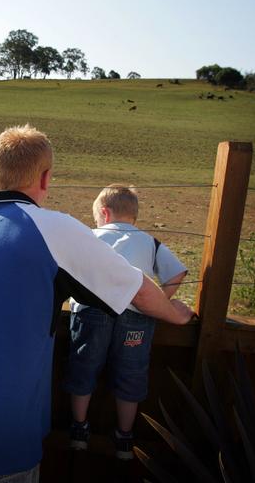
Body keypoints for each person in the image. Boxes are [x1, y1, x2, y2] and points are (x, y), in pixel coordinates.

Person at [0, 124, 194, 482]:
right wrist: (176, 313)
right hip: (0, 430)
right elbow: (137, 290)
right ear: (46, 178)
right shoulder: (54, 229)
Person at [64, 184, 188, 460]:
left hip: (91, 312)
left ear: (104, 214)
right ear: (134, 216)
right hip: (136, 316)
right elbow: (177, 273)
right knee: (131, 373)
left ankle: (79, 430)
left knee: (84, 368)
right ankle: (124, 437)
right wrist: (161, 302)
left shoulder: (90, 236)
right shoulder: (148, 241)